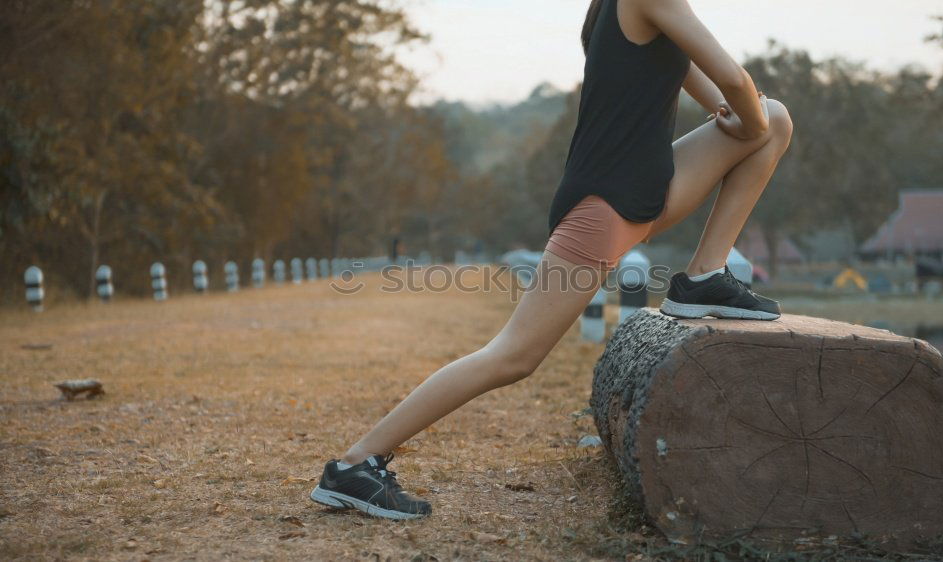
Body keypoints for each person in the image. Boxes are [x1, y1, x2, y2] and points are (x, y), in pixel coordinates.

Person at [310, 0, 793, 519]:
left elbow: (723, 94)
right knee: (513, 355)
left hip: (645, 187)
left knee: (775, 119)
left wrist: (745, 115)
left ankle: (704, 276)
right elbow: (738, 90)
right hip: (606, 205)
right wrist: (745, 116)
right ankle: (355, 465)